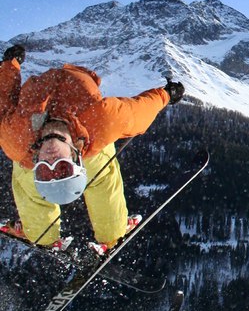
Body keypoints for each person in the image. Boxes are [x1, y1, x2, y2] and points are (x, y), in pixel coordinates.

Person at [0, 44, 184, 249]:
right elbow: (139, 112)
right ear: (75, 158)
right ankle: (112, 232)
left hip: (34, 137)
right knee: (103, 175)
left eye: (45, 171)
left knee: (23, 175)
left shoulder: (16, 138)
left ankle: (39, 232)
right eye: (62, 168)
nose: (51, 160)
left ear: (37, 162)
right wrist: (166, 95)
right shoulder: (102, 121)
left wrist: (10, 65)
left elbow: (4, 99)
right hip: (85, 132)